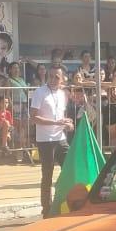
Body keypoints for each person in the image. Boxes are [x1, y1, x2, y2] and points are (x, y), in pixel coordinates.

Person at [31, 65, 73, 213]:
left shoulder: (62, 94)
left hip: (60, 137)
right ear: (47, 76)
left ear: (62, 79)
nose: (54, 79)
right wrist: (56, 123)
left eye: (57, 77)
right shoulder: (39, 92)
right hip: (45, 140)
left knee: (69, 168)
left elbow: (60, 117)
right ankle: (46, 208)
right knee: (47, 173)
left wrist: (68, 124)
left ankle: (65, 201)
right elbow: (34, 117)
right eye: (51, 76)